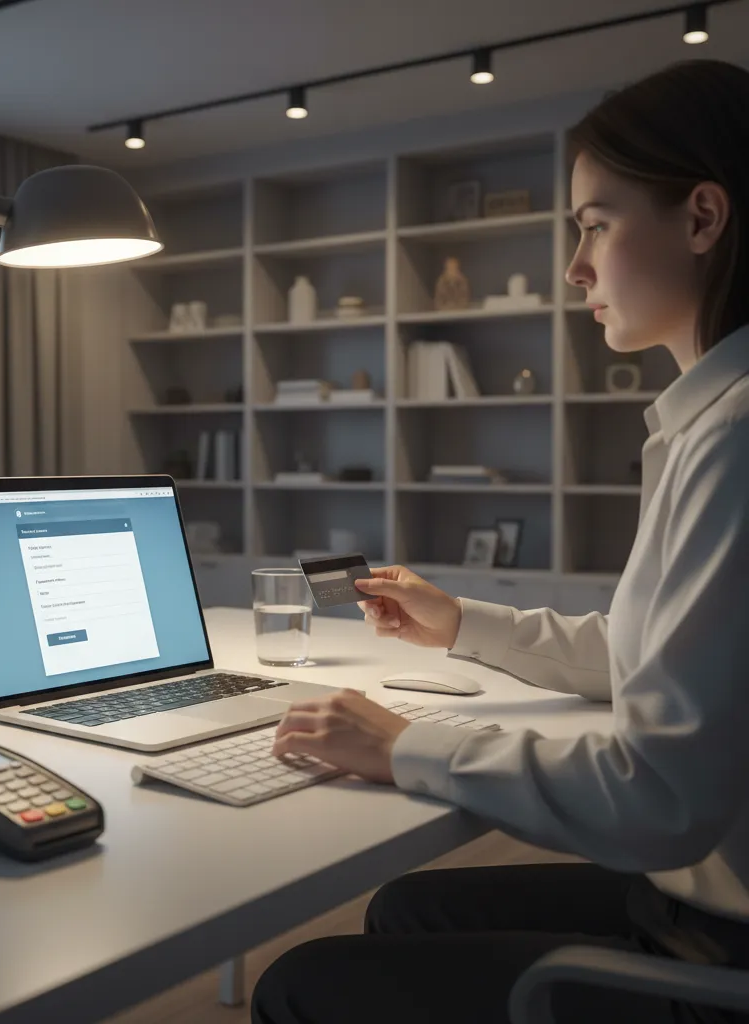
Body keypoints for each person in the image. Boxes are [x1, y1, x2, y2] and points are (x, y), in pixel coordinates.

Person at [252, 58, 749, 1024]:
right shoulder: (708, 423)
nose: (575, 267)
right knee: (404, 904)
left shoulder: (735, 440)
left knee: (295, 986)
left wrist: (411, 746)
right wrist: (462, 623)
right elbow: (649, 661)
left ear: (701, 218)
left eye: (595, 226)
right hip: (702, 892)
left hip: (721, 944)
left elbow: (658, 795)